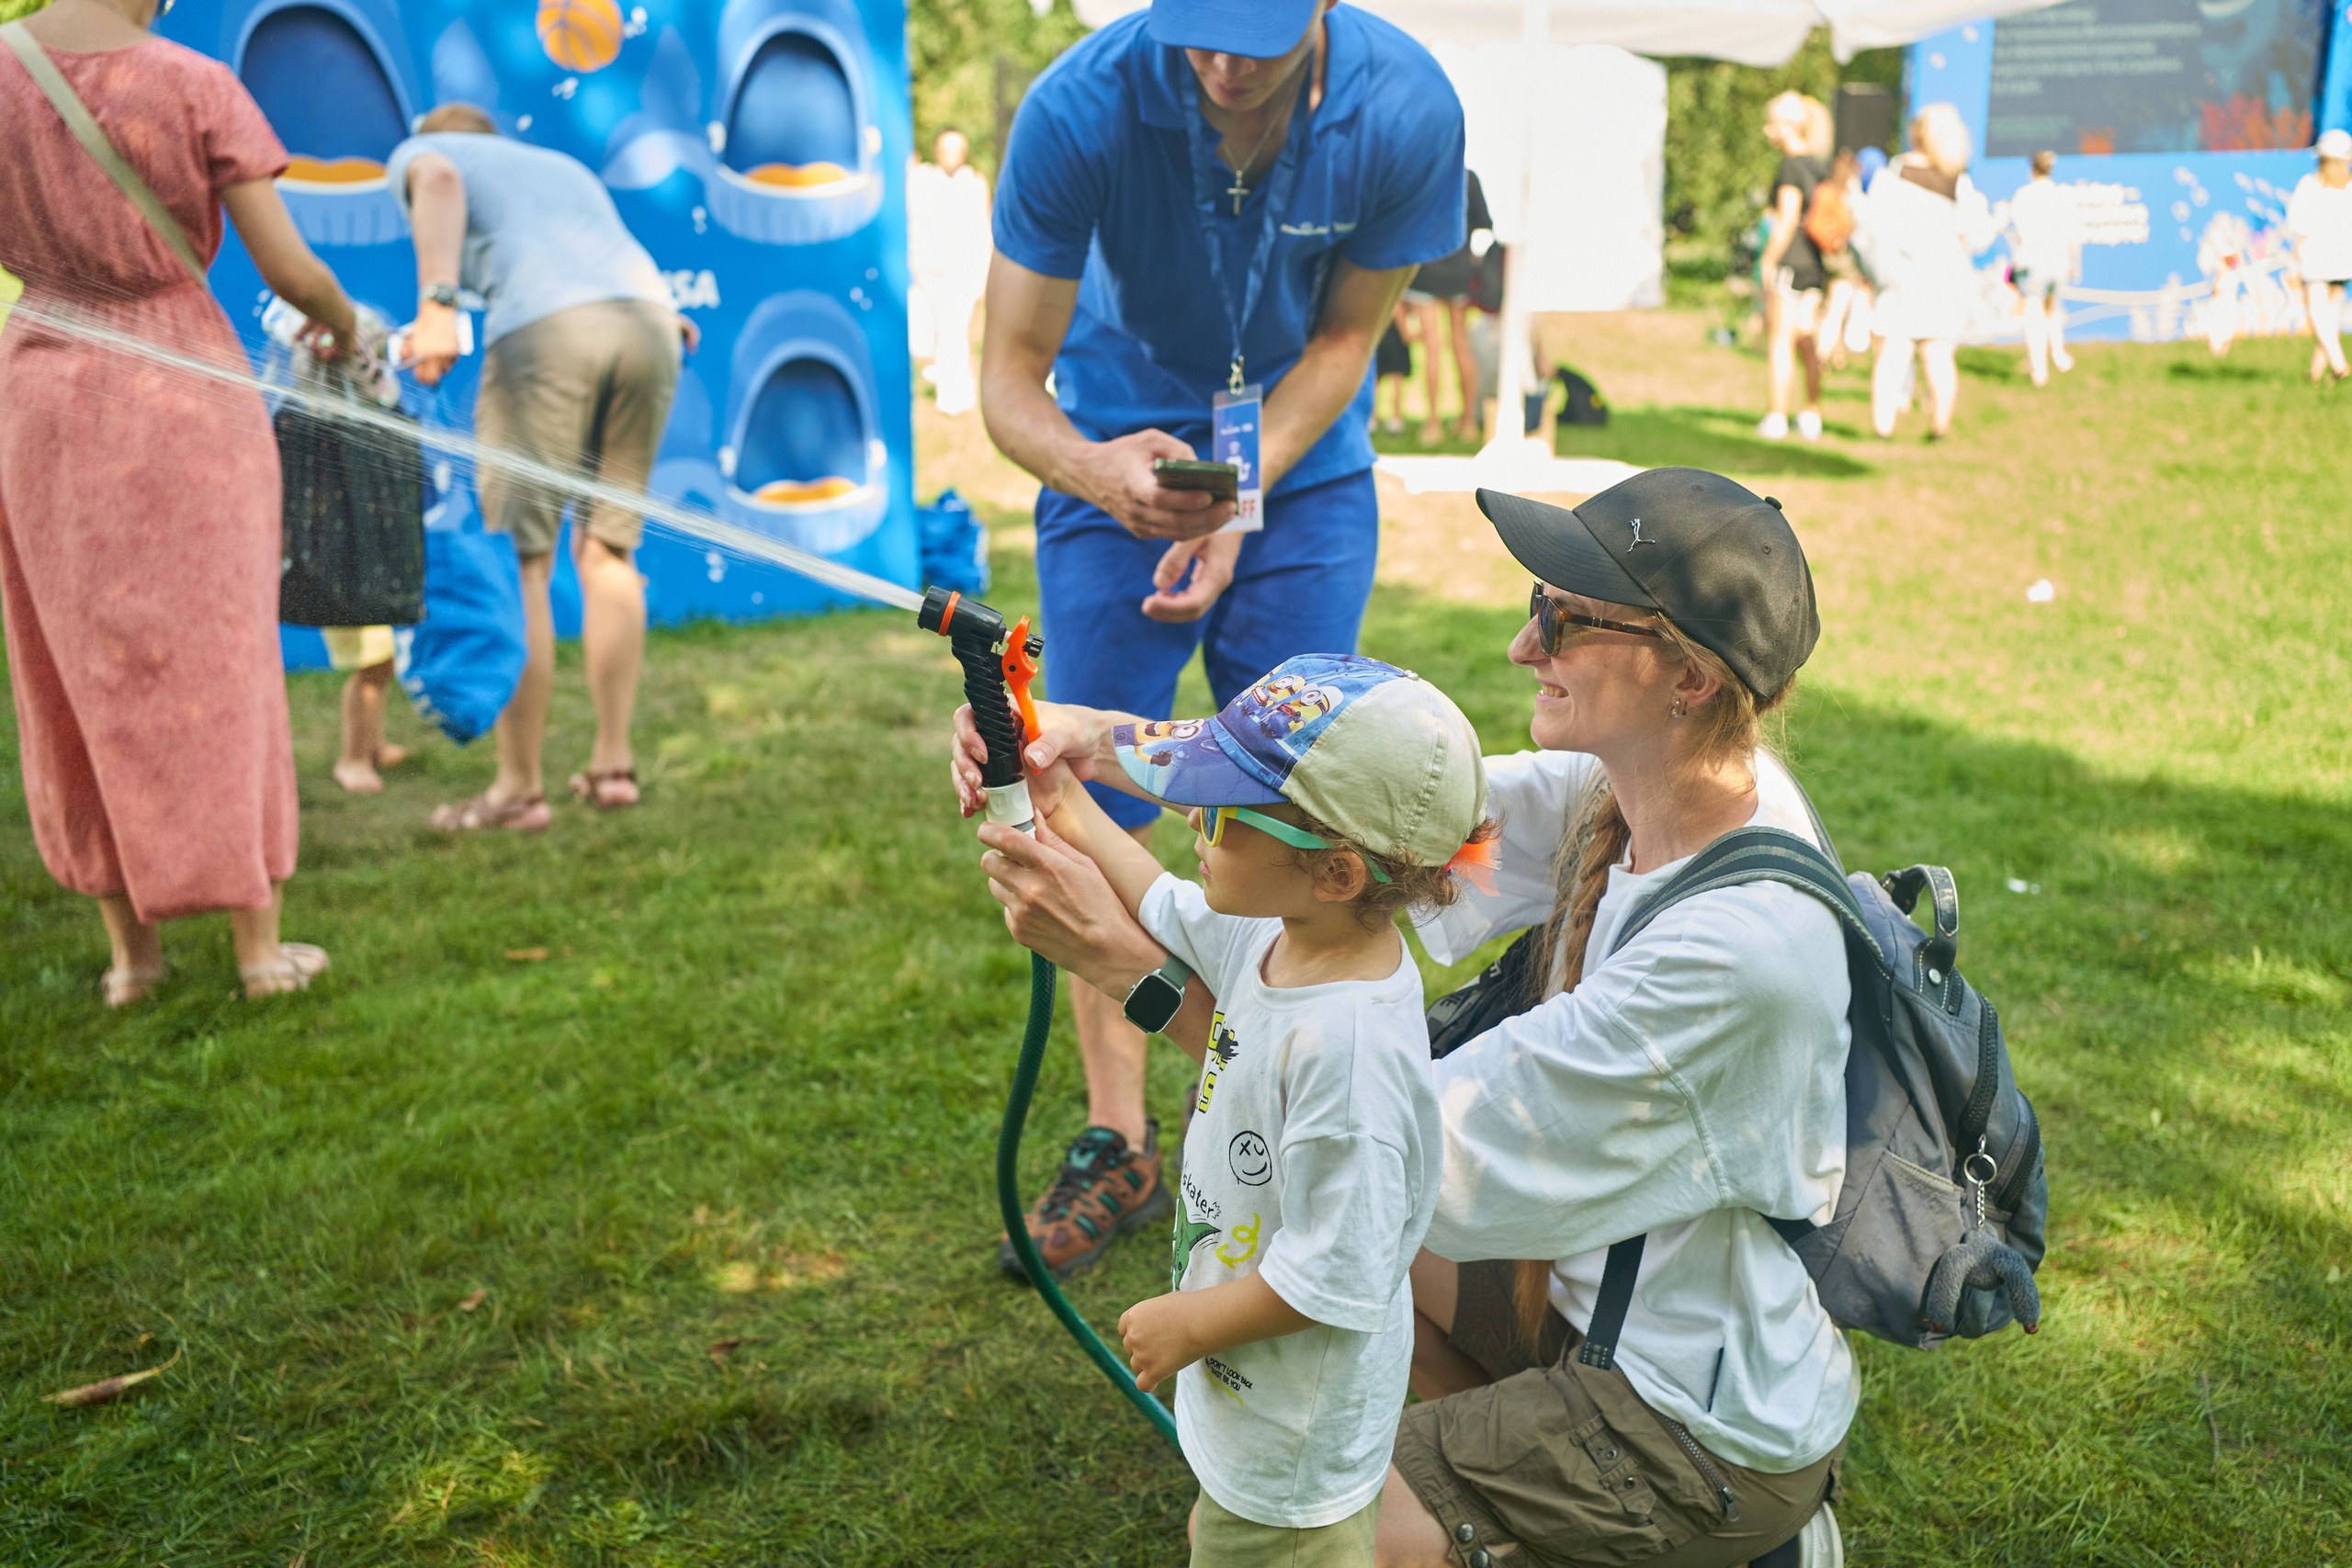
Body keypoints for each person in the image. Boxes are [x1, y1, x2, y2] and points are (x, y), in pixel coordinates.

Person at [965, 466, 1851, 1568]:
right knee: (1327, 1273)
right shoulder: (1647, 786)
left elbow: (1379, 1144)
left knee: (1335, 1534)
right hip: (1581, 1284)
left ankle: (1731, 1541)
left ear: (1689, 676)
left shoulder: (1736, 956)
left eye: (1565, 618)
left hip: (1689, 1414)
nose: (1527, 648)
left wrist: (1131, 972)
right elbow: (1387, 808)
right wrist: (1098, 748)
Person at [979, 0, 1466, 1278]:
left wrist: (1241, 488)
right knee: (1083, 788)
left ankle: (1290, 1096)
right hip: (1112, 455)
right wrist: (1096, 471)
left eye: (1255, 31)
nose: (1221, 62)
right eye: (1197, 24)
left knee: (1302, 802)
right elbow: (1007, 379)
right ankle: (1119, 1135)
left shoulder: (1405, 108)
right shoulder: (1078, 106)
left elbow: (1350, 338)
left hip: (1302, 471)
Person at [970, 656, 1487, 1563]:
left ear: (1331, 872)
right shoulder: (1280, 929)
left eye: (1217, 816)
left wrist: (1188, 1324)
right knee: (1225, 1522)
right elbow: (1158, 898)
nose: (1193, 830)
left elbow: (1343, 1277)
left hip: (1298, 1443)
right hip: (1259, 1397)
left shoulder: (1347, 1053)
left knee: (1259, 1538)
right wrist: (1064, 804)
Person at [1, 0, 360, 1003]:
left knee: (67, 663)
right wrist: (342, 325)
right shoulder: (194, 81)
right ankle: (257, 953)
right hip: (181, 382)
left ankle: (132, 961)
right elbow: (287, 268)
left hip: (38, 393)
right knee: (224, 650)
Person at [392, 102, 697, 830]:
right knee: (610, 550)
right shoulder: (556, 167)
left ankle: (517, 789)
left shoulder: (425, 152)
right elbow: (604, 257)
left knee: (524, 564)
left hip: (545, 331)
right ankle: (612, 766)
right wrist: (659, 320)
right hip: (649, 323)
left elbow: (434, 177)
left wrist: (436, 305)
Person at [1866, 103, 1997, 441]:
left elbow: (1874, 224)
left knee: (1895, 352)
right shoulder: (1958, 182)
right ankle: (1939, 424)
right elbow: (1979, 234)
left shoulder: (1894, 173)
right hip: (1946, 279)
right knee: (1938, 354)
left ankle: (1883, 427)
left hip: (1903, 277)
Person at [1755, 94, 1833, 442]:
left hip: (1791, 261)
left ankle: (1777, 416)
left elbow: (1787, 220)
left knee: (1781, 341)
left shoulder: (1790, 167)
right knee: (1808, 342)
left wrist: (1768, 260)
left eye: (1771, 123)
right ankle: (1811, 413)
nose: (1766, 130)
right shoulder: (1818, 165)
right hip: (1816, 263)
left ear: (1785, 127)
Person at [1405, 169, 1492, 446]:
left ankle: (1432, 424)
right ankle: (1467, 423)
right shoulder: (1468, 178)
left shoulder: (1420, 175)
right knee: (1460, 343)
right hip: (1459, 271)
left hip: (1425, 268)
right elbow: (1484, 224)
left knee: (1432, 346)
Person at [908, 128, 991, 416]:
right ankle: (955, 386)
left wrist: (984, 275)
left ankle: (955, 394)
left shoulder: (974, 183)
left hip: (964, 269)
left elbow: (984, 228)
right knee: (947, 331)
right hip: (932, 269)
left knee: (954, 330)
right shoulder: (923, 180)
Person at [2006, 150, 2077, 387]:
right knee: (2051, 309)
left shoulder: (2023, 196)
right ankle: (2057, 354)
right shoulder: (2062, 196)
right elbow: (2072, 235)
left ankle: (2039, 370)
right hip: (2057, 262)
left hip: (2032, 262)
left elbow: (2019, 233)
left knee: (2035, 313)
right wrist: (2074, 263)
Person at [2287, 127, 2352, 386]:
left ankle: (2338, 363)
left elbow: (2299, 224)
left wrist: (2295, 256)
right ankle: (2315, 373)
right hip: (2343, 259)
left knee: (2318, 314)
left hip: (2315, 257)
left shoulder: (2310, 186)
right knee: (2330, 315)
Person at [325, 626, 410, 795]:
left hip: (372, 604)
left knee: (383, 663)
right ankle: (354, 761)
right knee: (373, 666)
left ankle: (374, 748)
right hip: (356, 605)